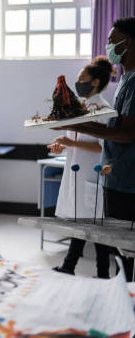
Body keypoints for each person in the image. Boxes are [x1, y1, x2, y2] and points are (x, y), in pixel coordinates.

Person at [66, 17, 135, 281]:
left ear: (126, 42)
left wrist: (80, 127)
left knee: (126, 252)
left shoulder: (134, 82)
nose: (108, 46)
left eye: (111, 40)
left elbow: (126, 134)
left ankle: (125, 302)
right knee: (118, 248)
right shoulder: (126, 80)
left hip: (127, 183)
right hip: (115, 177)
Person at [48, 57, 113, 278]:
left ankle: (99, 272)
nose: (78, 83)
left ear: (95, 82)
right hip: (77, 173)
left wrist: (72, 143)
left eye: (81, 79)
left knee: (94, 226)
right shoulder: (80, 108)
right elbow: (73, 140)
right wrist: (62, 145)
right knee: (84, 224)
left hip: (92, 176)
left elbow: (102, 147)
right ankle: (70, 266)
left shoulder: (103, 109)